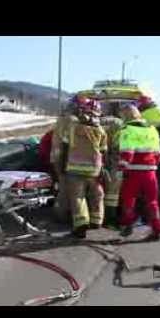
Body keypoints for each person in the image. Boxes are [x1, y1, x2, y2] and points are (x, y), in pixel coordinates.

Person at [61, 96, 108, 239]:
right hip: (94, 169)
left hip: (75, 168)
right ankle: (96, 221)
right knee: (96, 195)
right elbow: (103, 150)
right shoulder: (101, 131)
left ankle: (81, 226)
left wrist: (63, 164)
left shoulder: (73, 127)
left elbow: (65, 145)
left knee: (78, 197)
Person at [117, 104, 160, 241]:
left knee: (128, 199)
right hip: (150, 172)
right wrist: (152, 165)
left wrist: (121, 169)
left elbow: (127, 152)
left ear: (126, 116)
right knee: (152, 202)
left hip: (134, 171)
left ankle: (127, 225)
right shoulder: (152, 129)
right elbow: (158, 153)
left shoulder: (127, 129)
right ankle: (157, 229)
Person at [100, 102, 124, 229]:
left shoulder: (98, 122)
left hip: (97, 160)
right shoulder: (119, 124)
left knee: (98, 191)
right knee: (113, 194)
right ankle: (111, 219)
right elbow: (119, 146)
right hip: (115, 161)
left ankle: (99, 217)